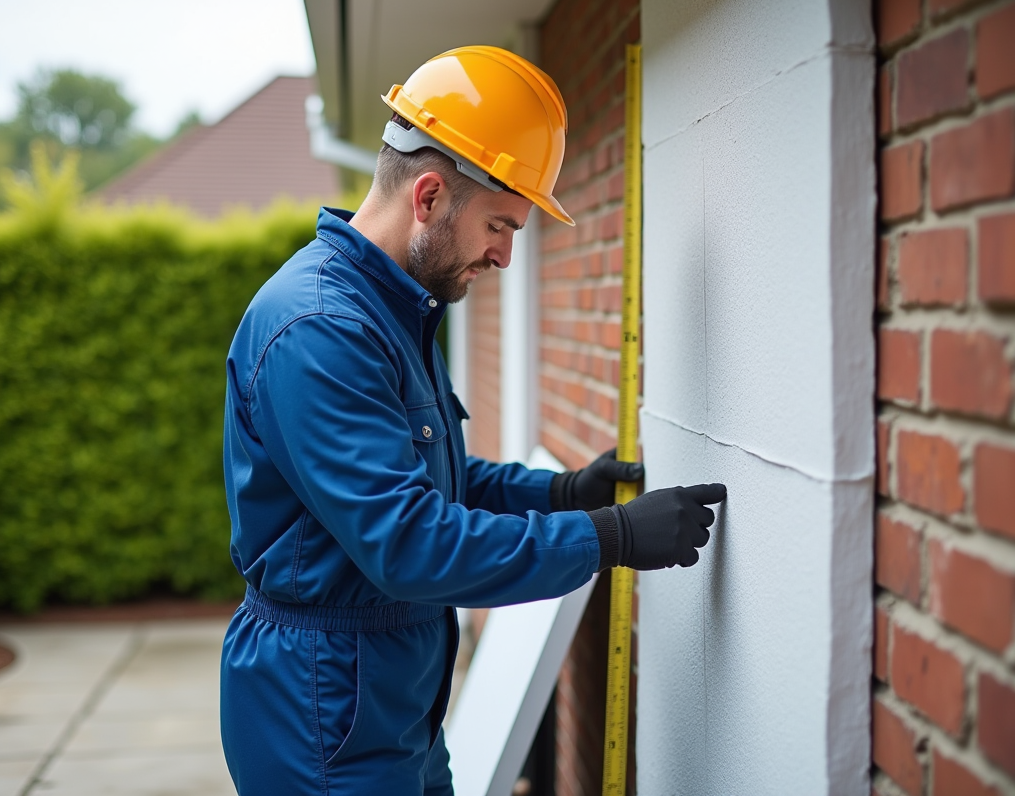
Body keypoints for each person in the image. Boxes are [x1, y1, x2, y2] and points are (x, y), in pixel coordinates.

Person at [220, 46, 727, 795]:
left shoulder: (395, 310)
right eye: (500, 224)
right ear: (428, 197)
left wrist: (561, 494)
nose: (506, 255)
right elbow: (411, 543)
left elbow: (433, 482)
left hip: (394, 699)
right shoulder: (320, 329)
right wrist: (610, 538)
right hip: (322, 712)